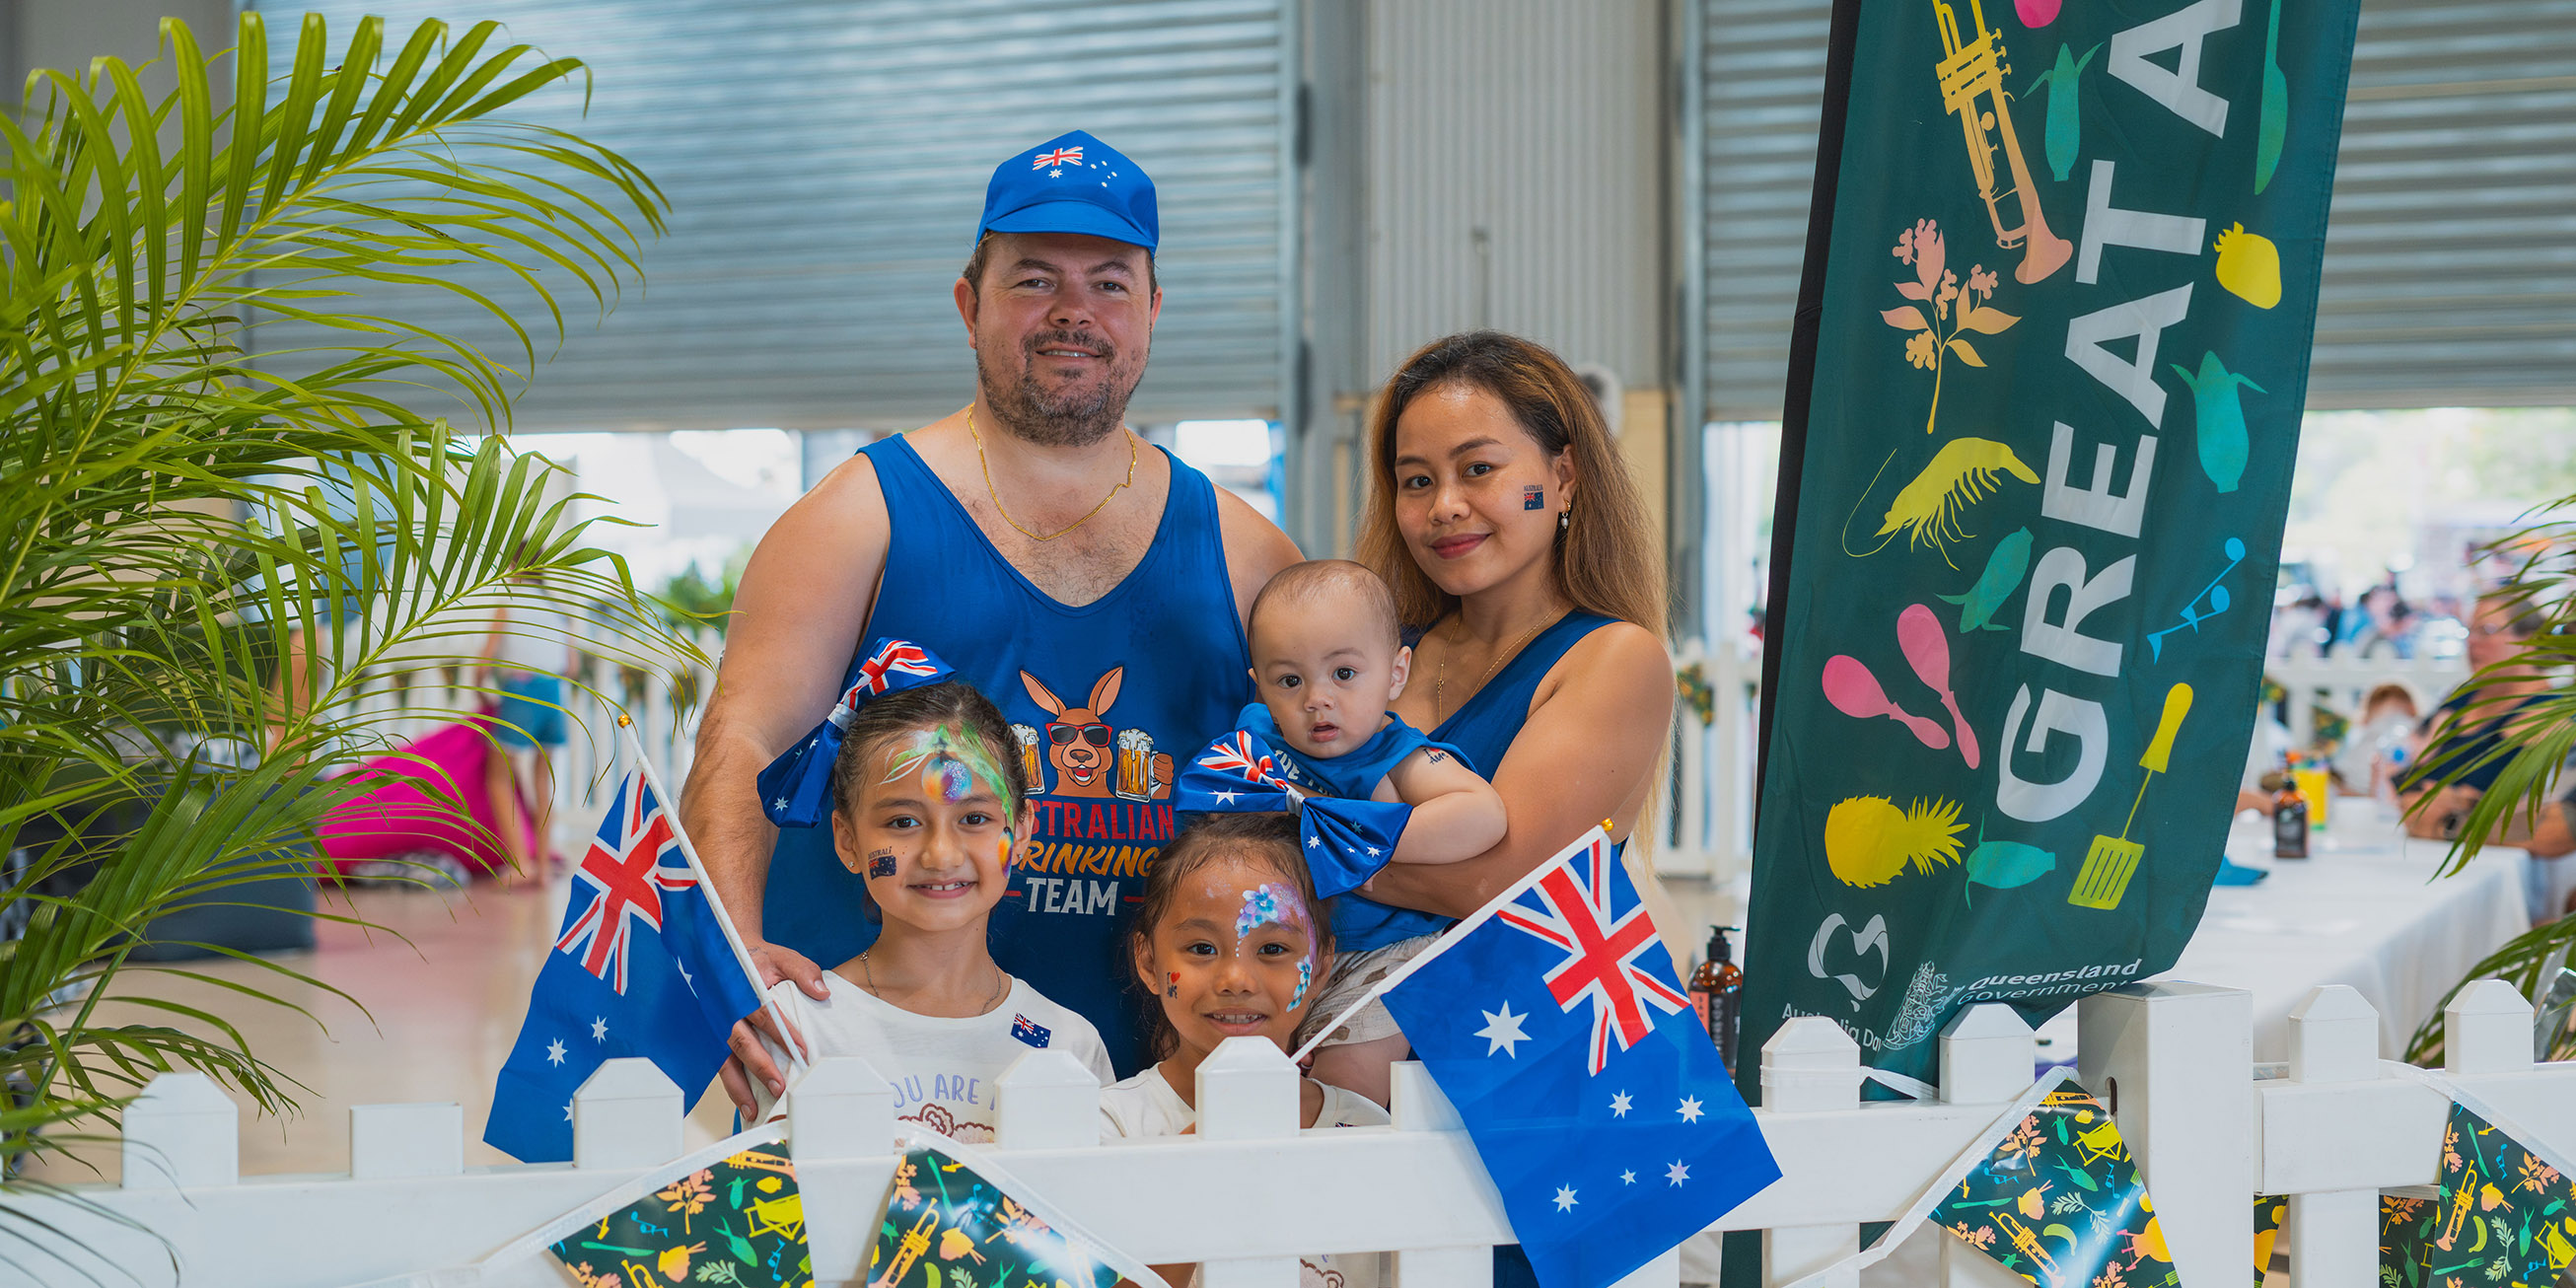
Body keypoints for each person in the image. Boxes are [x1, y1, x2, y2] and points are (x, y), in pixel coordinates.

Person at [692, 128, 1302, 1116]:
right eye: (1033, 280)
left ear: (1151, 311)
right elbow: (743, 735)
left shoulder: (1246, 553)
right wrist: (725, 952)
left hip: (1148, 1096)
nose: (1073, 311)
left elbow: (1312, 790)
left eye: (1108, 281)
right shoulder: (856, 515)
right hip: (866, 1083)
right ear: (969, 305)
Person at [742, 675, 1112, 1137]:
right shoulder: (794, 1028)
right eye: (903, 821)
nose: (941, 855)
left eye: (974, 818)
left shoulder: (1068, 1045)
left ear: (1019, 832)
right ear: (847, 839)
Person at [1228, 558, 1507, 1101]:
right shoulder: (1257, 741)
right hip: (1281, 948)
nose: (1317, 698)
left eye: (1345, 674)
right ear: (1259, 687)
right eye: (1290, 680)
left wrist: (1357, 836)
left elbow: (1482, 813)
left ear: (1396, 673)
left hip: (1382, 954)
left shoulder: (1399, 755)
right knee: (1242, 1084)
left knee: (1344, 1094)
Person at [1100, 812, 1386, 1288]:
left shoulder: (1370, 1132)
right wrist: (1201, 1163)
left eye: (1273, 950)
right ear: (1149, 961)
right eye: (1201, 948)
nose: (1235, 980)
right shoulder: (1110, 1128)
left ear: (1318, 969)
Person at [2400, 590, 2574, 920]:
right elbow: (2407, 788)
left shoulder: (2556, 715)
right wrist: (2474, 806)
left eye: (2487, 631)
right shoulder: (2459, 701)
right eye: (2469, 631)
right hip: (2422, 869)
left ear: (2529, 641)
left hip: (2506, 890)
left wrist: (2453, 819)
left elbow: (2557, 826)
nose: (2472, 643)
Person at [483, 588, 574, 881]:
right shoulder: (556, 608)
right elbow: (571, 667)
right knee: (543, 784)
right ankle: (544, 869)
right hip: (553, 694)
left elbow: (483, 662)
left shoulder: (509, 604)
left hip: (521, 689)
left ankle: (522, 864)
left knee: (497, 775)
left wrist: (482, 690)